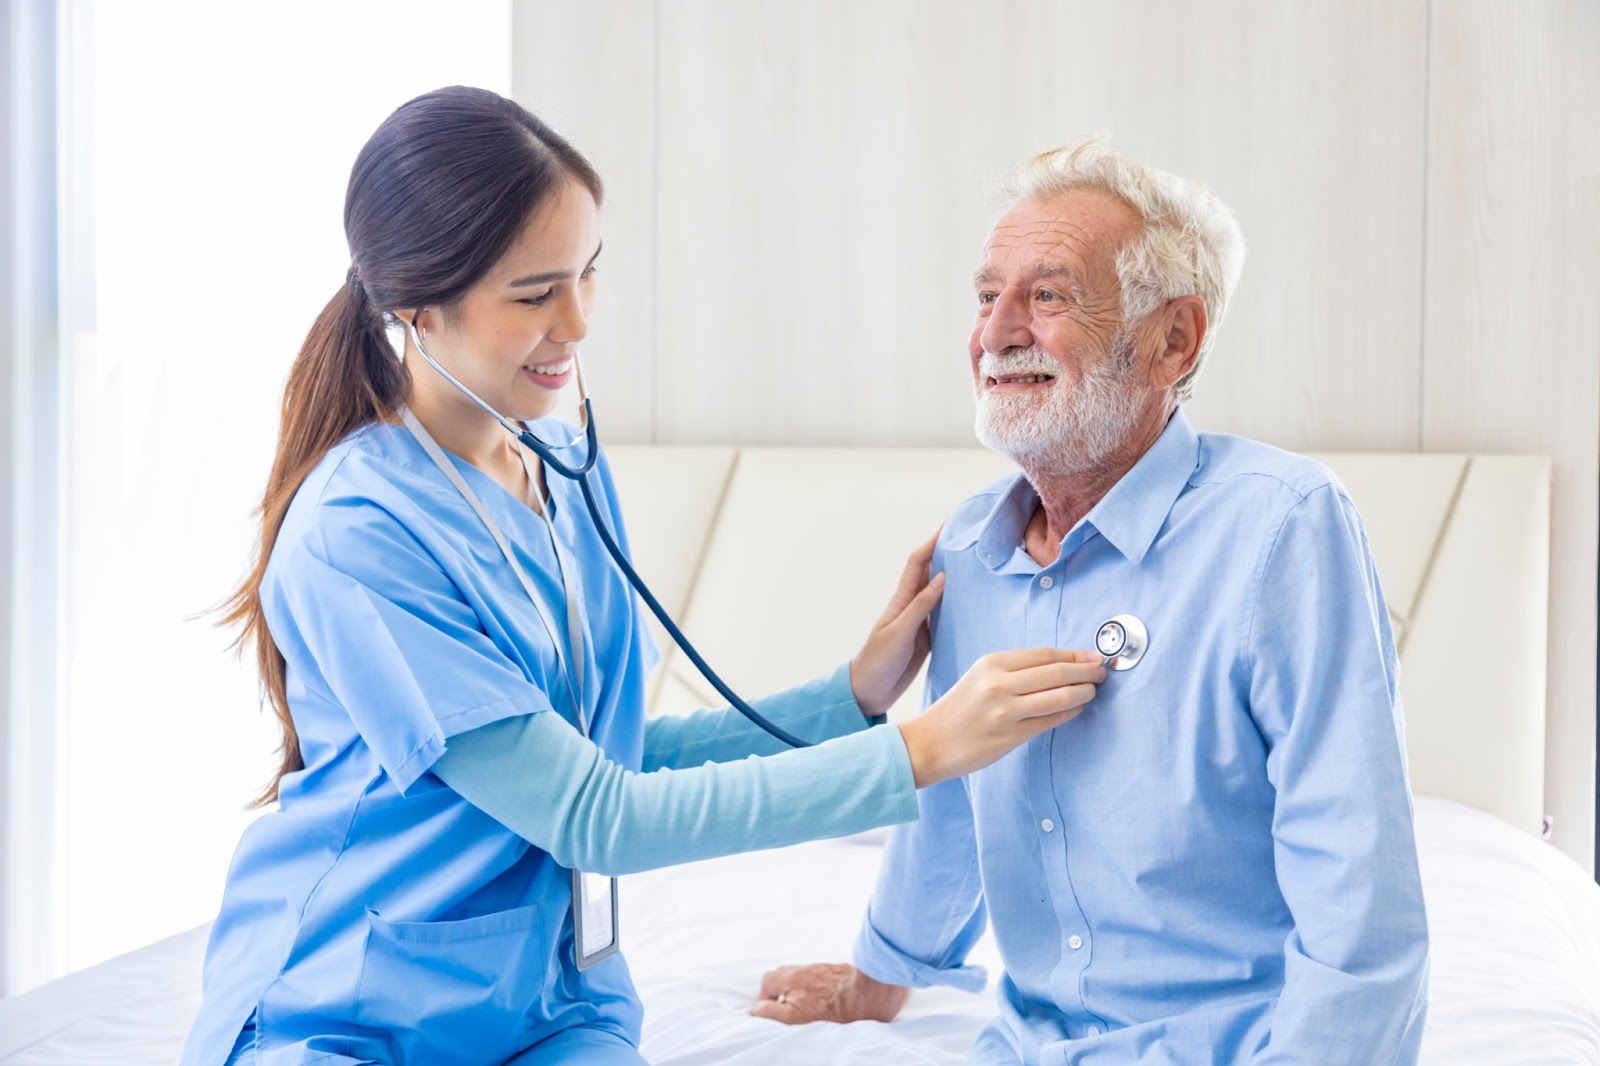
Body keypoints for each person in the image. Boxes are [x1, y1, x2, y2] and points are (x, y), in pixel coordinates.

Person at [179, 87, 1109, 1066]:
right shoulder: (358, 534)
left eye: (588, 274)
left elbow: (608, 754)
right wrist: (922, 750)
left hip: (553, 1005)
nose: (577, 322)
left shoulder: (557, 463)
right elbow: (596, 816)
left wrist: (852, 696)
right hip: (350, 1013)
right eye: (535, 293)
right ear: (415, 303)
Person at [756, 135, 1430, 1064]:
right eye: (988, 294)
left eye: (1048, 294)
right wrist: (876, 978)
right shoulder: (970, 547)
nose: (995, 333)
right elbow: (950, 797)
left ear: (1172, 340)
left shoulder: (1284, 528)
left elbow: (1360, 881)